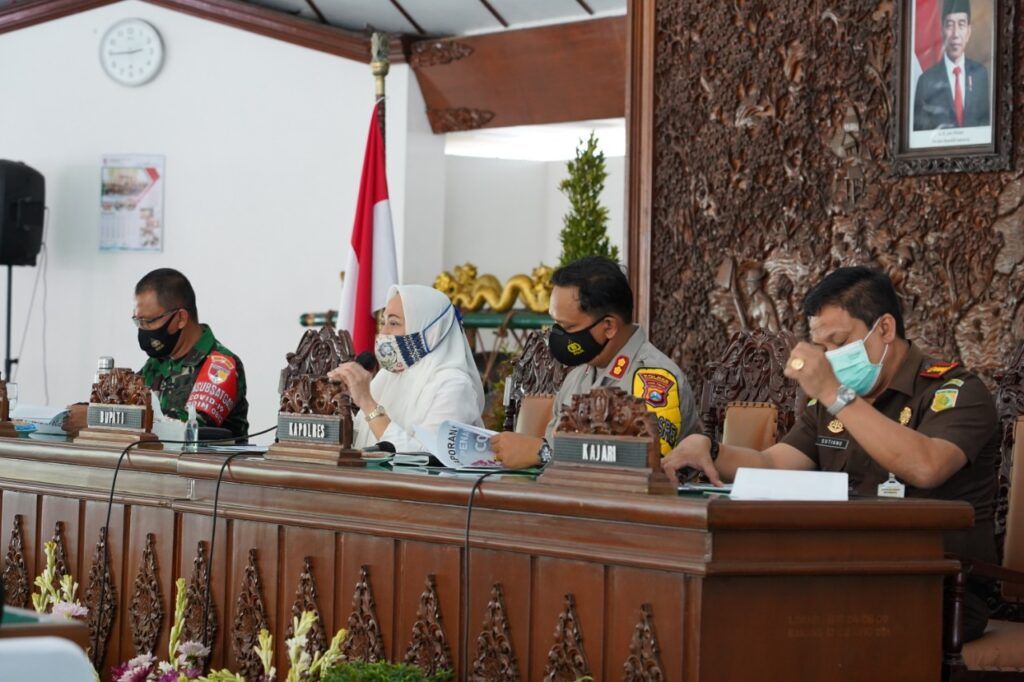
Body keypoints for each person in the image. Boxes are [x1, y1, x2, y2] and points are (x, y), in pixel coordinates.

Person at [662, 266, 998, 642]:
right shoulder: (832, 405)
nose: (831, 359)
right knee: (732, 607)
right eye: (822, 349)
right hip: (848, 572)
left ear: (884, 329)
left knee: (785, 625)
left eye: (839, 344)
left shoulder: (956, 391)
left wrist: (836, 395)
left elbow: (926, 467)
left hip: (939, 587)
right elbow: (772, 463)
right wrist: (708, 448)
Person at [491, 256, 700, 469]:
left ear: (608, 326)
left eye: (568, 328)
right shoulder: (578, 375)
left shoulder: (654, 380)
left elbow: (647, 463)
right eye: (556, 324)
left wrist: (544, 453)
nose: (557, 335)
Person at [64, 268, 249, 438]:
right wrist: (89, 410)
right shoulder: (158, 363)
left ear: (181, 318)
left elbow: (186, 428)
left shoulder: (220, 365)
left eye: (149, 322)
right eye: (138, 322)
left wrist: (95, 419)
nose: (143, 330)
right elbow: (124, 404)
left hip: (203, 471)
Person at [328, 284, 484, 451]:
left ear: (431, 331)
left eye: (394, 323)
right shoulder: (387, 377)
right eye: (383, 322)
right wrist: (339, 404)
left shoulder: (454, 386)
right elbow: (360, 442)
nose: (384, 331)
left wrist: (367, 402)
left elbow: (424, 459)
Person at [913, 0, 990, 131]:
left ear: (968, 32)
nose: (955, 34)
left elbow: (987, 124)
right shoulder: (926, 81)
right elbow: (919, 132)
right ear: (942, 30)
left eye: (961, 25)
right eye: (949, 25)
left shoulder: (980, 74)